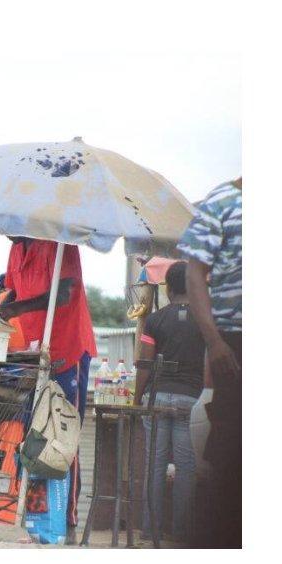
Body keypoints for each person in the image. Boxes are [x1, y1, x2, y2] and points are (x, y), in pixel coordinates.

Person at [0, 237, 96, 543]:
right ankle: (35, 514)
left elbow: (64, 294)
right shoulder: (15, 248)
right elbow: (16, 291)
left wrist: (17, 306)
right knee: (33, 437)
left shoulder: (60, 243)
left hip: (68, 348)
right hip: (37, 351)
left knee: (62, 434)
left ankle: (68, 517)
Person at [176, 178, 242, 548]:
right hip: (234, 341)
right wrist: (215, 340)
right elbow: (195, 270)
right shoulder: (223, 200)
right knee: (230, 454)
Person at [134, 261, 205, 543]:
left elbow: (145, 363)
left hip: (159, 396)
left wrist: (137, 398)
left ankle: (150, 530)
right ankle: (181, 532)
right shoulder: (206, 319)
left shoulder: (155, 319)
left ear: (168, 287)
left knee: (156, 464)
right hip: (191, 398)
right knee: (186, 467)